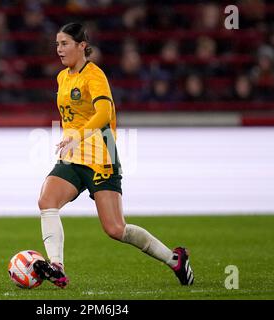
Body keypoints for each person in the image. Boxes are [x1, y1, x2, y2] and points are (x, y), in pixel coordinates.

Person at [32, 23, 194, 288]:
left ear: (81, 46)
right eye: (57, 44)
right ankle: (57, 266)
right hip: (73, 156)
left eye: (64, 44)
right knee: (46, 201)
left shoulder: (94, 75)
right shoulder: (62, 77)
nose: (59, 49)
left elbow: (104, 114)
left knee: (116, 229)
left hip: (101, 156)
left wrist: (77, 134)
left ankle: (174, 258)